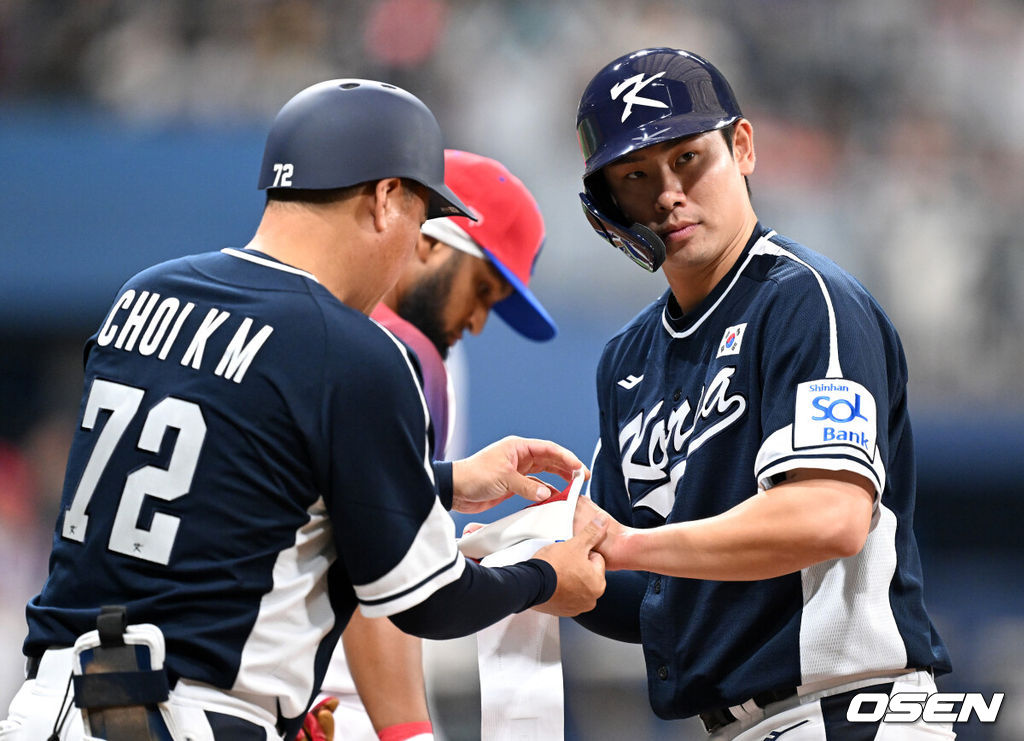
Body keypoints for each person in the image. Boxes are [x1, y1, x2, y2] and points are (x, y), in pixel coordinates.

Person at [0, 78, 608, 741]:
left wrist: (446, 482)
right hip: (193, 714)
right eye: (419, 216)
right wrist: (547, 577)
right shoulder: (352, 348)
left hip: (45, 708)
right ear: (384, 198)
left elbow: (235, 479)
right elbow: (426, 596)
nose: (412, 243)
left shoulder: (145, 292)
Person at [569, 48, 954, 740]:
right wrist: (529, 567)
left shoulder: (806, 299)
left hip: (854, 709)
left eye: (687, 158)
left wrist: (624, 546)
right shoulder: (627, 361)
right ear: (607, 206)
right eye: (635, 175)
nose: (666, 194)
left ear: (741, 147)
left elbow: (829, 515)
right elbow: (640, 597)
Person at [318, 149, 558, 741]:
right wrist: (410, 734)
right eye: (482, 288)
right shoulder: (405, 353)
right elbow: (382, 574)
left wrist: (443, 483)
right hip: (331, 698)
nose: (478, 321)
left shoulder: (300, 320)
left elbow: (328, 505)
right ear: (427, 239)